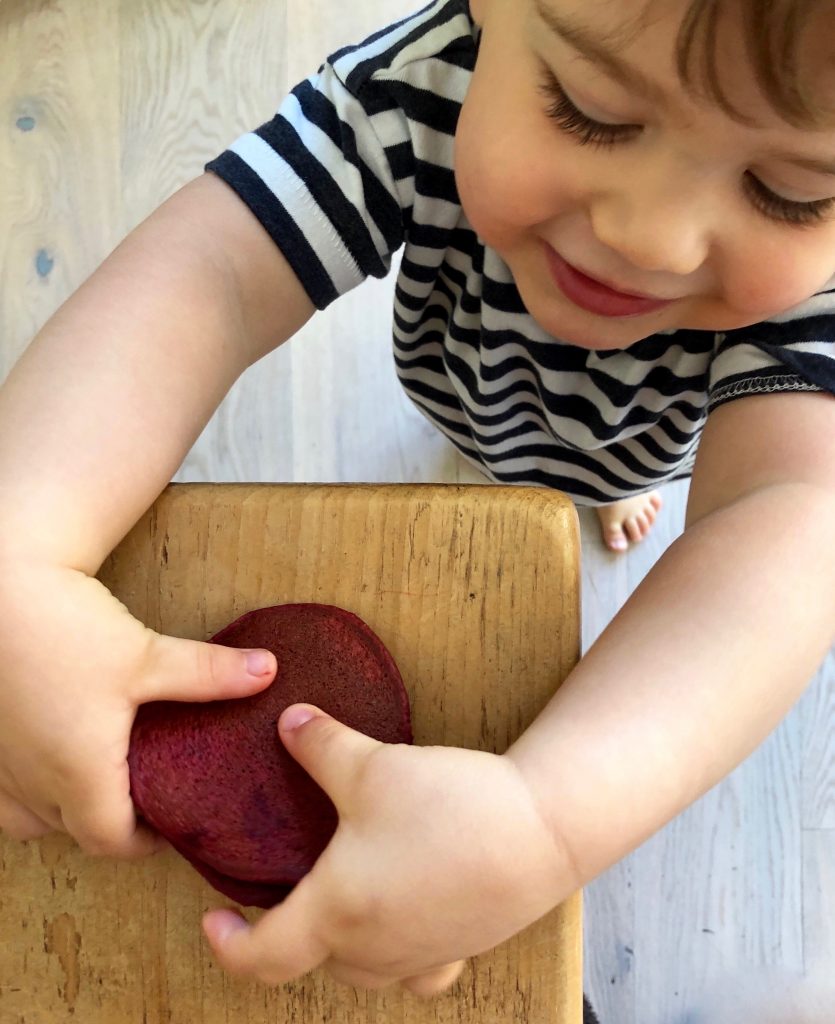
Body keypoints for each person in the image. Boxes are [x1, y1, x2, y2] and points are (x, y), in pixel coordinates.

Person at [0, 0, 833, 1005]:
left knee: (620, 484)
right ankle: (514, 460)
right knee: (481, 451)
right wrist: (20, 550)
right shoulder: (417, 89)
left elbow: (785, 513)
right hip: (467, 384)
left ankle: (604, 493)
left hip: (647, 440)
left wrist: (546, 818)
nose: (649, 237)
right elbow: (209, 272)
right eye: (590, 112)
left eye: (788, 193)